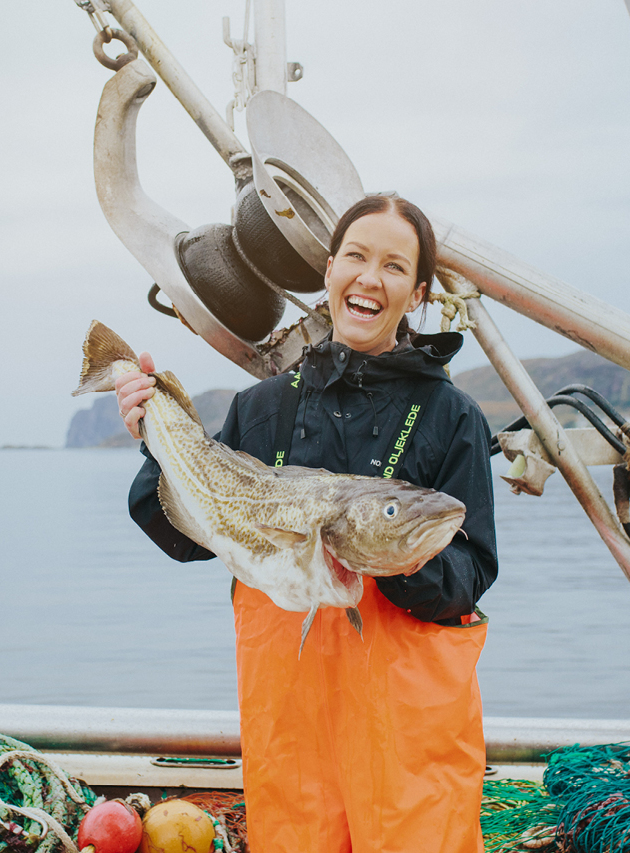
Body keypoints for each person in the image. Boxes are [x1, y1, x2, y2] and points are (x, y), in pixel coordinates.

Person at [117, 194, 498, 853]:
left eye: (393, 266)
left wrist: (413, 565)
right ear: (328, 270)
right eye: (356, 256)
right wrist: (156, 440)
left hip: (407, 740)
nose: (370, 277)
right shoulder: (261, 409)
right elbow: (187, 534)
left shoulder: (453, 417)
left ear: (418, 293)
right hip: (293, 737)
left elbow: (473, 571)